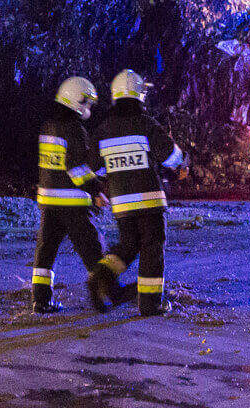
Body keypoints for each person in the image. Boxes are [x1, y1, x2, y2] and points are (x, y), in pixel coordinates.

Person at [86, 70, 185, 317]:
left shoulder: (104, 129)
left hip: (121, 205)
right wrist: (181, 158)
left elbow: (95, 166)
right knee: (152, 248)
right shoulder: (145, 123)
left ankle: (100, 276)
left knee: (128, 246)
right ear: (139, 94)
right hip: (149, 202)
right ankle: (150, 303)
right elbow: (171, 157)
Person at [29, 76, 105, 313]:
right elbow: (76, 168)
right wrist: (96, 191)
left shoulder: (47, 126)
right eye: (88, 103)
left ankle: (40, 301)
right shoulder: (74, 129)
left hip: (48, 201)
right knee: (92, 248)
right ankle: (105, 293)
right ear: (77, 101)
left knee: (45, 252)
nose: (89, 108)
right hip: (71, 202)